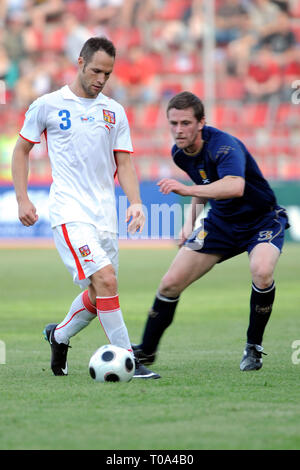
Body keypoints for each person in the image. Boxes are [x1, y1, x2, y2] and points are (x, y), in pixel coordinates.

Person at [11, 36, 160, 379]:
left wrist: (136, 202)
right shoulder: (47, 105)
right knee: (106, 280)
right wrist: (22, 198)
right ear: (79, 62)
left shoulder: (114, 111)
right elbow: (21, 150)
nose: (101, 79)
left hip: (105, 217)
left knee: (99, 293)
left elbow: (124, 164)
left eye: (107, 74)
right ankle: (129, 360)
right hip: (69, 212)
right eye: (96, 71)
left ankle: (59, 336)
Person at [133, 91, 289, 372]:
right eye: (173, 123)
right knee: (170, 282)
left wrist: (186, 189)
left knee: (262, 271)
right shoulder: (180, 154)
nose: (178, 130)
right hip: (219, 223)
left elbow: (234, 186)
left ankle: (253, 347)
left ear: (201, 122)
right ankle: (145, 353)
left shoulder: (224, 147)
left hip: (261, 221)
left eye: (185, 123)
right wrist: (189, 222)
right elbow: (204, 186)